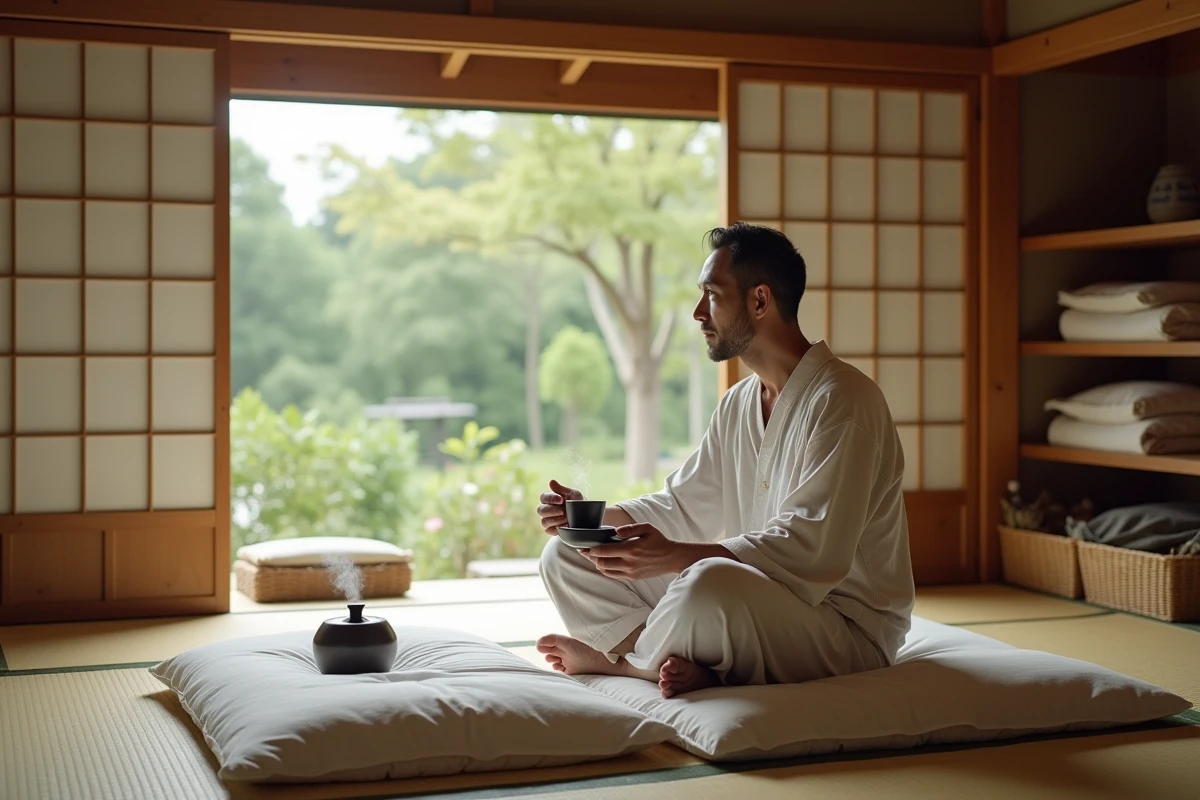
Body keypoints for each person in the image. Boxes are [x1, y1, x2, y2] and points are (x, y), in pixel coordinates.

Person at [535, 222, 915, 699]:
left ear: (759, 301)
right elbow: (683, 506)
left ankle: (631, 666)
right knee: (566, 556)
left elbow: (810, 549)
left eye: (711, 295)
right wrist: (591, 518)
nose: (698, 313)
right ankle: (668, 661)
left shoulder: (845, 401)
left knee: (706, 584)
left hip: (844, 626)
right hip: (762, 602)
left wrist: (673, 557)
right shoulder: (739, 403)